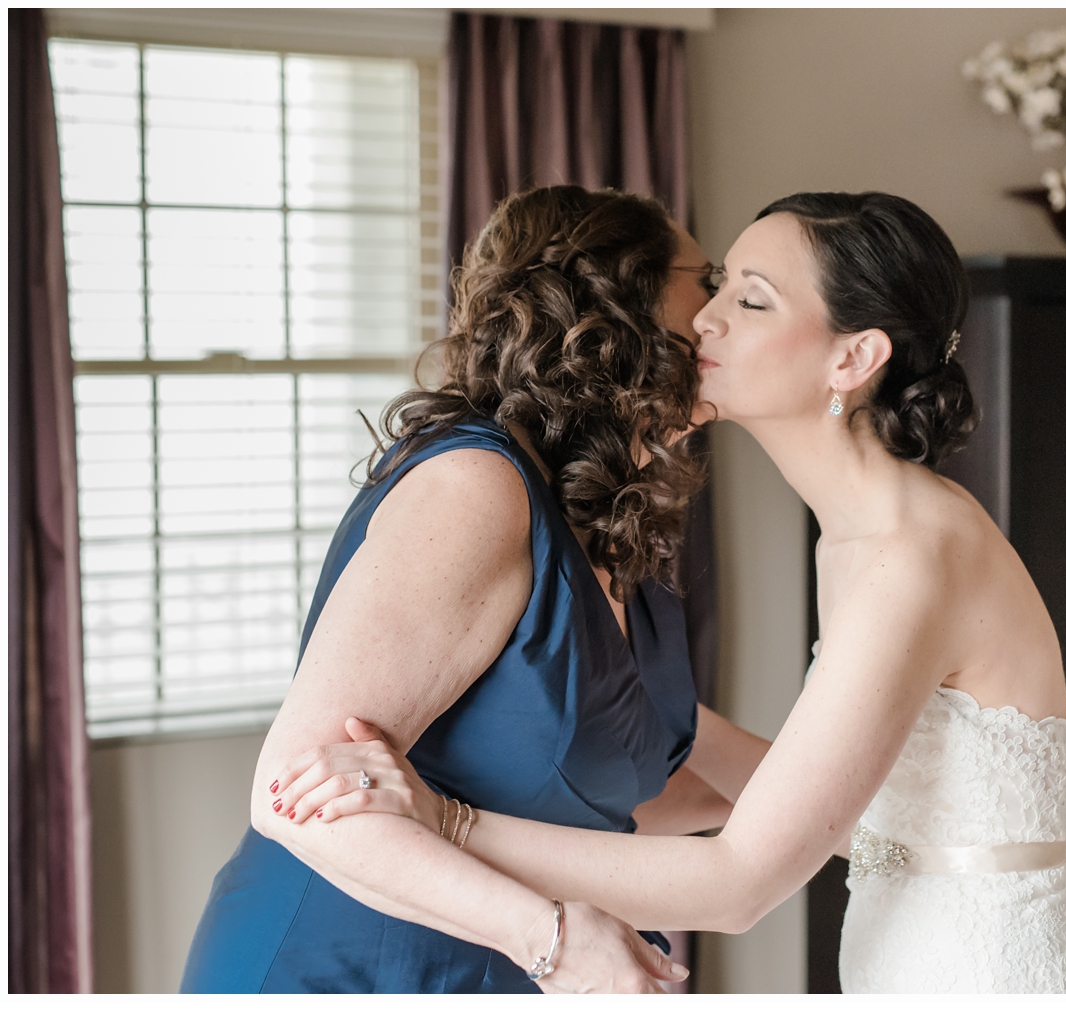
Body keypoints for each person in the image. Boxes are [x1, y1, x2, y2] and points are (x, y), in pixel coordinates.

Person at [273, 192, 1066, 993]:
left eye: (750, 299)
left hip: (982, 966)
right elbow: (851, 794)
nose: (702, 319)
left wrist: (442, 818)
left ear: (853, 356)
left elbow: (737, 883)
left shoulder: (908, 557)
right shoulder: (853, 535)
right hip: (906, 941)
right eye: (718, 285)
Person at [180, 184, 768, 993]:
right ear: (612, 299)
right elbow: (291, 791)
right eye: (706, 280)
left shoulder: (600, 520)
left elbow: (603, 787)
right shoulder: (477, 486)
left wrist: (843, 813)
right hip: (352, 963)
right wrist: (553, 938)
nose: (716, 312)